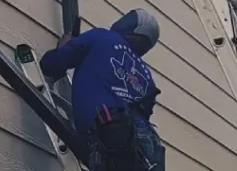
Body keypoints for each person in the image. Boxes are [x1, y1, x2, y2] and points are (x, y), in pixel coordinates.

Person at [40, 10, 165, 171]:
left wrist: (63, 46)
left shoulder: (101, 37)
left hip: (111, 136)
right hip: (147, 145)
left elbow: (51, 64)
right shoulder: (147, 77)